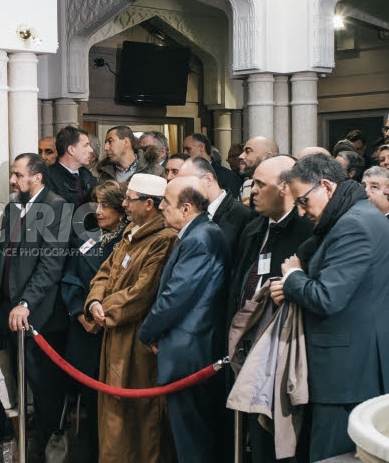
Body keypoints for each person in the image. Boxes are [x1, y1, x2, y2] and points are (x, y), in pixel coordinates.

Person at [270, 154, 389, 461]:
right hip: (348, 366)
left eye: (303, 201)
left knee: (333, 456)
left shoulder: (355, 224)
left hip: (346, 373)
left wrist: (293, 277)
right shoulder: (353, 215)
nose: (300, 210)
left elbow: (327, 297)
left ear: (326, 186)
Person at [0, 153, 69, 452]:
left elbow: (51, 266)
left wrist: (26, 303)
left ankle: (45, 444)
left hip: (39, 312)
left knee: (40, 381)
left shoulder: (58, 208)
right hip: (6, 306)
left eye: (18, 174)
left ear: (37, 177)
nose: (12, 180)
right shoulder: (13, 207)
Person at [227, 155, 314, 462]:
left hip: (281, 350)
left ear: (284, 188)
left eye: (260, 185)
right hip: (246, 346)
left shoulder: (307, 232)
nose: (252, 191)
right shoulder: (253, 228)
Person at [85, 174, 177, 463]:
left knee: (139, 414)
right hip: (114, 334)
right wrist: (95, 302)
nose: (123, 204)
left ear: (150, 204)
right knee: (113, 413)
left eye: (129, 199)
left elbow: (142, 293)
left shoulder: (164, 240)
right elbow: (103, 273)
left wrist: (105, 310)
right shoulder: (130, 234)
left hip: (137, 341)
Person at [138, 176, 228, 463]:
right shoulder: (196, 233)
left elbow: (175, 296)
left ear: (186, 208)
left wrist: (147, 332)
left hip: (190, 350)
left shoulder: (201, 237)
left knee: (192, 437)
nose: (161, 206)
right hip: (187, 348)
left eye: (166, 201)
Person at [60, 180, 128, 463]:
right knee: (88, 400)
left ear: (121, 208)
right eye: (95, 204)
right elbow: (70, 279)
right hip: (84, 329)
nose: (98, 211)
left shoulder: (129, 239)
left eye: (105, 205)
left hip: (114, 329)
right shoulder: (84, 236)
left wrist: (102, 316)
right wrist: (79, 313)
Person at [178, 157, 254, 255]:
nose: (183, 191)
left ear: (208, 179)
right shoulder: (188, 213)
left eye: (188, 184)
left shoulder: (243, 215)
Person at [96, 126, 163, 183]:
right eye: (106, 143)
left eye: (110, 141)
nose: (106, 148)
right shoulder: (103, 173)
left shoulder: (154, 171)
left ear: (126, 142)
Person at [182, 133, 242, 198]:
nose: (184, 153)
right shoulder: (183, 176)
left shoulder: (229, 177)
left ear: (201, 147)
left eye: (188, 149)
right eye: (184, 150)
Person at [239, 136, 279, 208]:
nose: (241, 156)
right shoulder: (246, 186)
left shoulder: (281, 189)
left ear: (268, 156)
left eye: (248, 151)